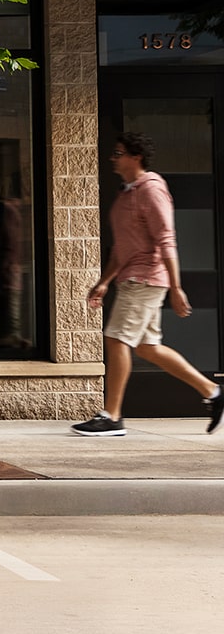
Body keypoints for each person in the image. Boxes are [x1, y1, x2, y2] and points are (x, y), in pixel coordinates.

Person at [73, 131, 224, 436]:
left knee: (117, 339)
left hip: (146, 277)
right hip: (132, 276)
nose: (113, 159)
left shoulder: (151, 189)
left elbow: (166, 239)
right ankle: (213, 391)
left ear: (135, 157)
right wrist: (104, 282)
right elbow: (121, 248)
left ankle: (112, 416)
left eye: (118, 153)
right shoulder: (128, 192)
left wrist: (177, 287)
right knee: (148, 348)